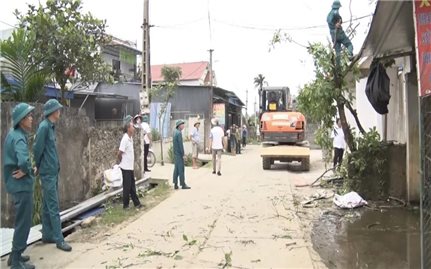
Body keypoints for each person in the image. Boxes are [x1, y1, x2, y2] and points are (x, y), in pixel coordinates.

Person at [33, 99, 72, 252]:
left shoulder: (51, 127)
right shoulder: (43, 128)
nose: (59, 112)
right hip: (47, 172)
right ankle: (59, 239)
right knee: (54, 206)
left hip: (52, 170)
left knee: (47, 206)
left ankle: (48, 234)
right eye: (58, 110)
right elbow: (38, 148)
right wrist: (37, 164)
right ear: (53, 112)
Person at [3, 103, 36, 269]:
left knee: (21, 222)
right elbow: (23, 161)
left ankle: (15, 255)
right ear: (22, 120)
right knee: (23, 223)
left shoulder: (13, 134)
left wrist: (25, 168)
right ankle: (16, 262)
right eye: (29, 116)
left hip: (16, 185)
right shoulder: (19, 137)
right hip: (22, 186)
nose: (31, 118)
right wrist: (27, 170)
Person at [117, 115, 143, 209]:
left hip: (130, 167)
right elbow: (119, 153)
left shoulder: (130, 138)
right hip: (125, 167)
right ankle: (126, 205)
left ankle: (137, 204)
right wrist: (122, 162)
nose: (134, 128)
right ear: (128, 128)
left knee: (132, 187)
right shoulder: (125, 139)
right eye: (132, 127)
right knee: (127, 187)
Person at [172, 120, 191, 189]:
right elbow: (180, 145)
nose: (183, 126)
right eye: (182, 124)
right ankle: (183, 184)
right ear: (179, 125)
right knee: (181, 169)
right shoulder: (179, 133)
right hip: (179, 154)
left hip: (175, 153)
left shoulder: (174, 132)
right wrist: (183, 154)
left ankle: (175, 183)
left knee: (176, 169)